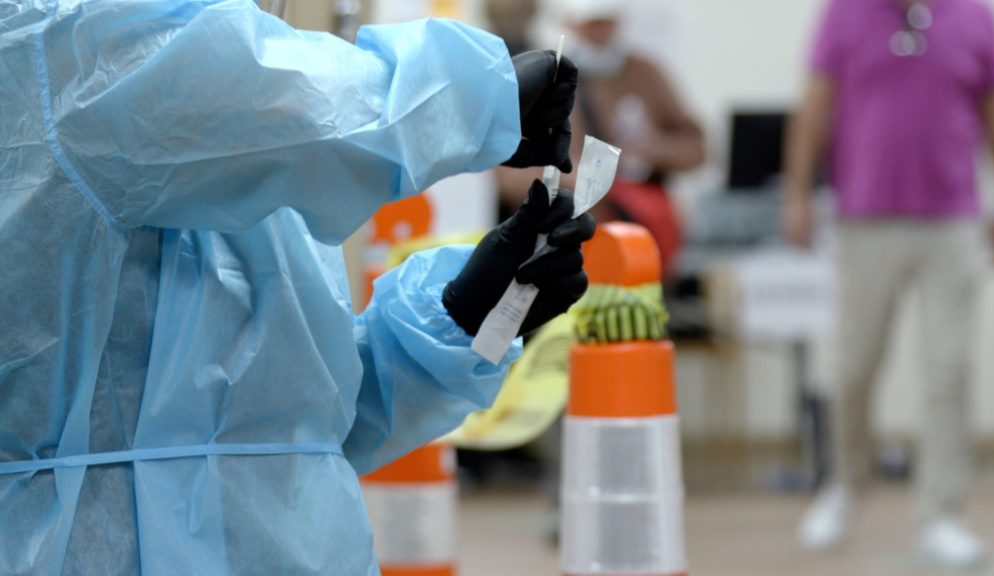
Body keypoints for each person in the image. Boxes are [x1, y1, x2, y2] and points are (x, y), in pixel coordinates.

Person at [0, 1, 591, 574]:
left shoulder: (247, 148)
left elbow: (294, 429)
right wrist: (472, 96)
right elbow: (271, 94)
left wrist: (456, 319)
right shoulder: (56, 41)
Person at [785, 0, 994, 568]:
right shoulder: (845, 13)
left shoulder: (977, 17)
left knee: (949, 369)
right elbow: (816, 105)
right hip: (867, 217)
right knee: (854, 366)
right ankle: (844, 485)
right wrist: (796, 194)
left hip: (953, 220)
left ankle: (941, 513)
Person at [496, 0, 706, 272]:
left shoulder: (646, 74)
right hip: (560, 244)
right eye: (591, 23)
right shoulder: (542, 79)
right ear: (569, 23)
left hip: (634, 240)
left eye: (607, 22)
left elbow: (697, 147)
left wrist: (655, 150)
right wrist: (569, 177)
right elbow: (505, 173)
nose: (600, 32)